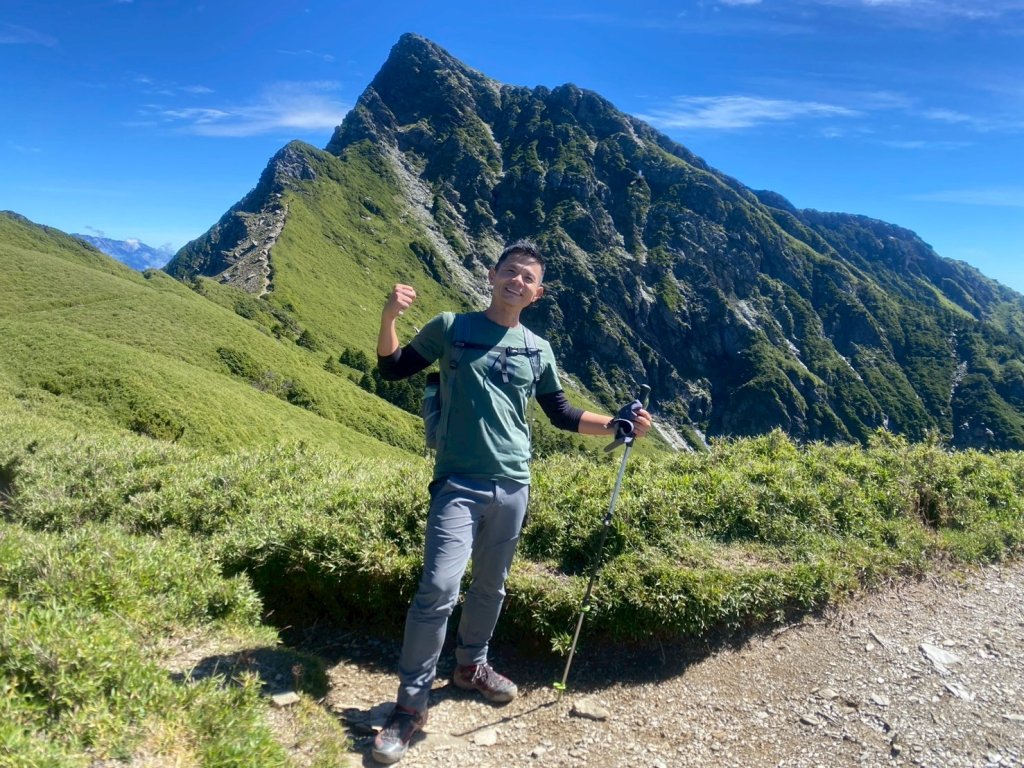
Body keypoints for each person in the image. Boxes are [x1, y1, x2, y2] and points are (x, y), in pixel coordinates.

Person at [371, 239, 651, 764]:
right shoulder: (452, 328)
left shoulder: (537, 348)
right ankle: (410, 706)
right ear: (493, 274)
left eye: (527, 278)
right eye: (510, 272)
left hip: (514, 483)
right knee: (438, 587)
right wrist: (389, 317)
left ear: (536, 293)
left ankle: (470, 666)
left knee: (491, 587)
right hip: (457, 481)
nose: (516, 282)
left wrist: (617, 424)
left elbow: (561, 413)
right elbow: (392, 369)